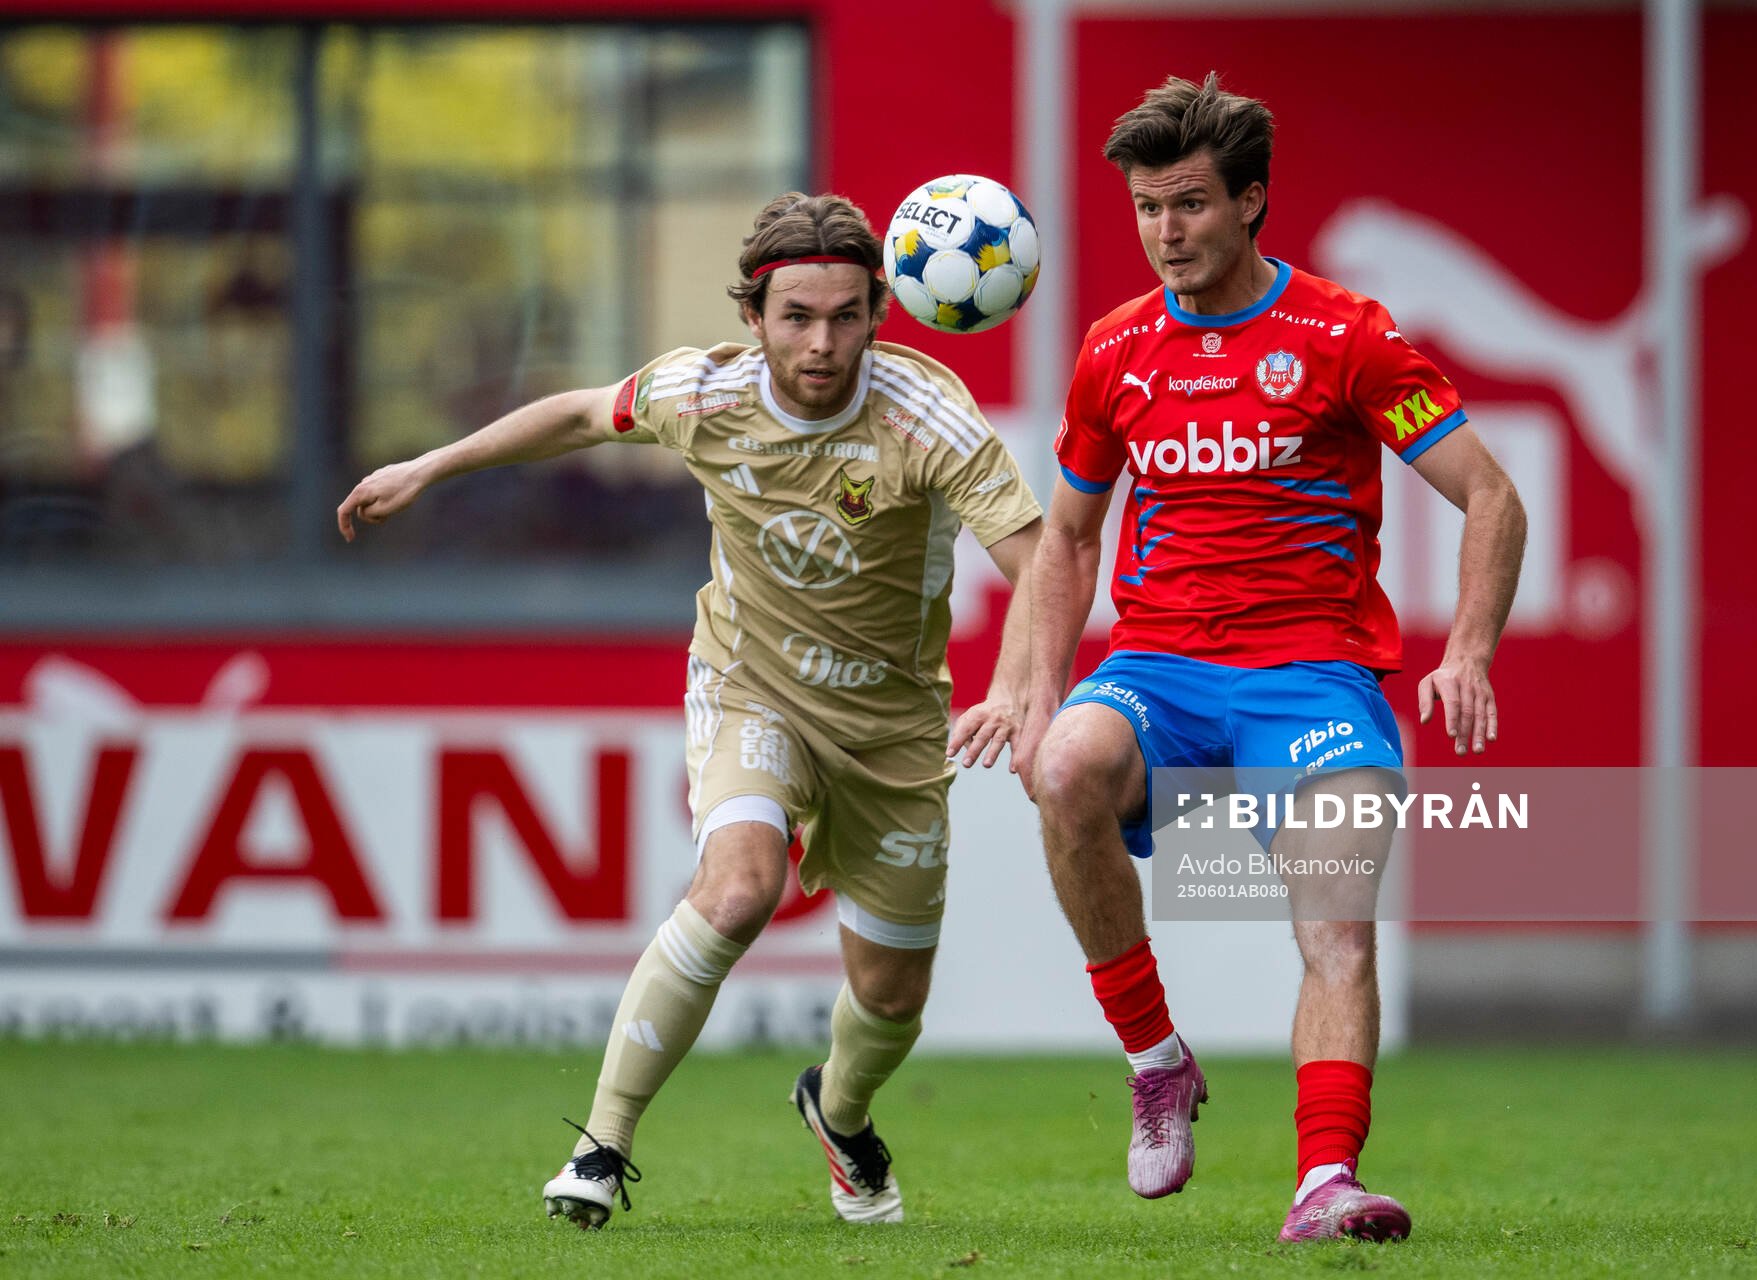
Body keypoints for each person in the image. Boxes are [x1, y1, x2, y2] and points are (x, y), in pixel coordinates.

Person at [338, 192, 1043, 1229]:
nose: (822, 341)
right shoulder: (701, 390)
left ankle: (839, 1112)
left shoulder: (923, 415)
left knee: (891, 999)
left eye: (846, 315)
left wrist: (1019, 682)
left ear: (879, 312)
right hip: (750, 684)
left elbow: (1037, 558)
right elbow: (582, 413)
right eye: (797, 315)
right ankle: (600, 1144)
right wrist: (431, 464)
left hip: (893, 729)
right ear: (753, 316)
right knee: (737, 888)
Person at [1012, 74, 1526, 1243]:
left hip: (1316, 674)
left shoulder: (1345, 338)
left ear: (1252, 201)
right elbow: (1071, 534)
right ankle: (1156, 1056)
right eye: (1147, 208)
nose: (1166, 232)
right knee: (1066, 769)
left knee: (1338, 919)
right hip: (1160, 667)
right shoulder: (1116, 352)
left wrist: (1471, 648)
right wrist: (1044, 689)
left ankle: (1325, 1180)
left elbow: (1490, 494)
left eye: (1189, 203)